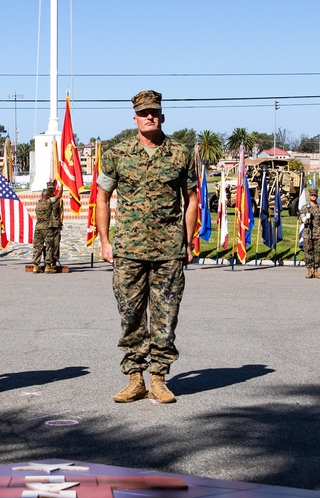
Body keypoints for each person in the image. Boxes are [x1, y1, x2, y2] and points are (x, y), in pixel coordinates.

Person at [95, 90, 198, 404]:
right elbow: (101, 197)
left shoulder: (181, 153)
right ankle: (134, 379)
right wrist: (105, 241)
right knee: (131, 316)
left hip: (168, 250)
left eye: (154, 112)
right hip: (129, 251)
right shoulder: (117, 153)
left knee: (166, 316)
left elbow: (192, 200)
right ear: (134, 118)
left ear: (162, 116)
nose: (149, 116)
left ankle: (159, 379)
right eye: (143, 113)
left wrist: (188, 241)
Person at [32, 180, 63, 273]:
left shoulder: (39, 203)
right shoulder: (48, 202)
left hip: (38, 228)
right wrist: (62, 186)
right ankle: (48, 266)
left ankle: (35, 266)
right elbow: (59, 195)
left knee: (37, 247)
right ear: (47, 196)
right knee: (49, 247)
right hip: (47, 228)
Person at [299, 188, 320, 279]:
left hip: (318, 233)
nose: (313, 196)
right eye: (312, 195)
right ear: (309, 196)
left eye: (315, 195)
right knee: (308, 252)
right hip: (308, 233)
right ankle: (309, 270)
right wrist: (306, 218)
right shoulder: (305, 207)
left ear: (317, 196)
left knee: (317, 252)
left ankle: (316, 270)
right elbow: (302, 219)